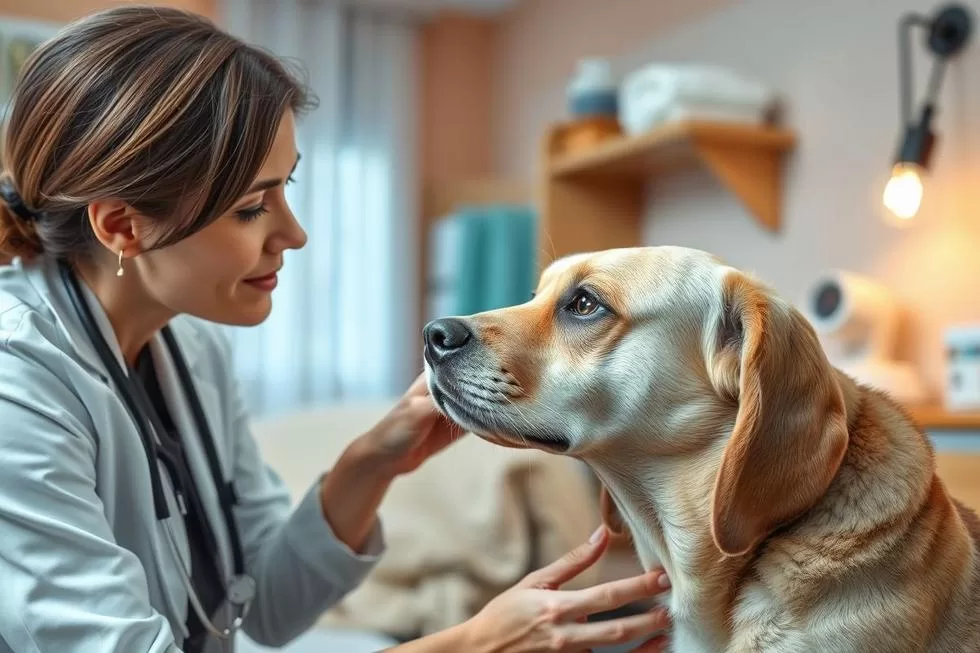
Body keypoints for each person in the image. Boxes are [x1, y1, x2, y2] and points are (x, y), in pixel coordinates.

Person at [0, 6, 672, 653]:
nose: (294, 234)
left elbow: (268, 604)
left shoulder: (191, 350)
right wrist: (474, 642)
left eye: (286, 188)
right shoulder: (16, 386)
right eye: (251, 208)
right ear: (121, 226)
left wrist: (373, 459)